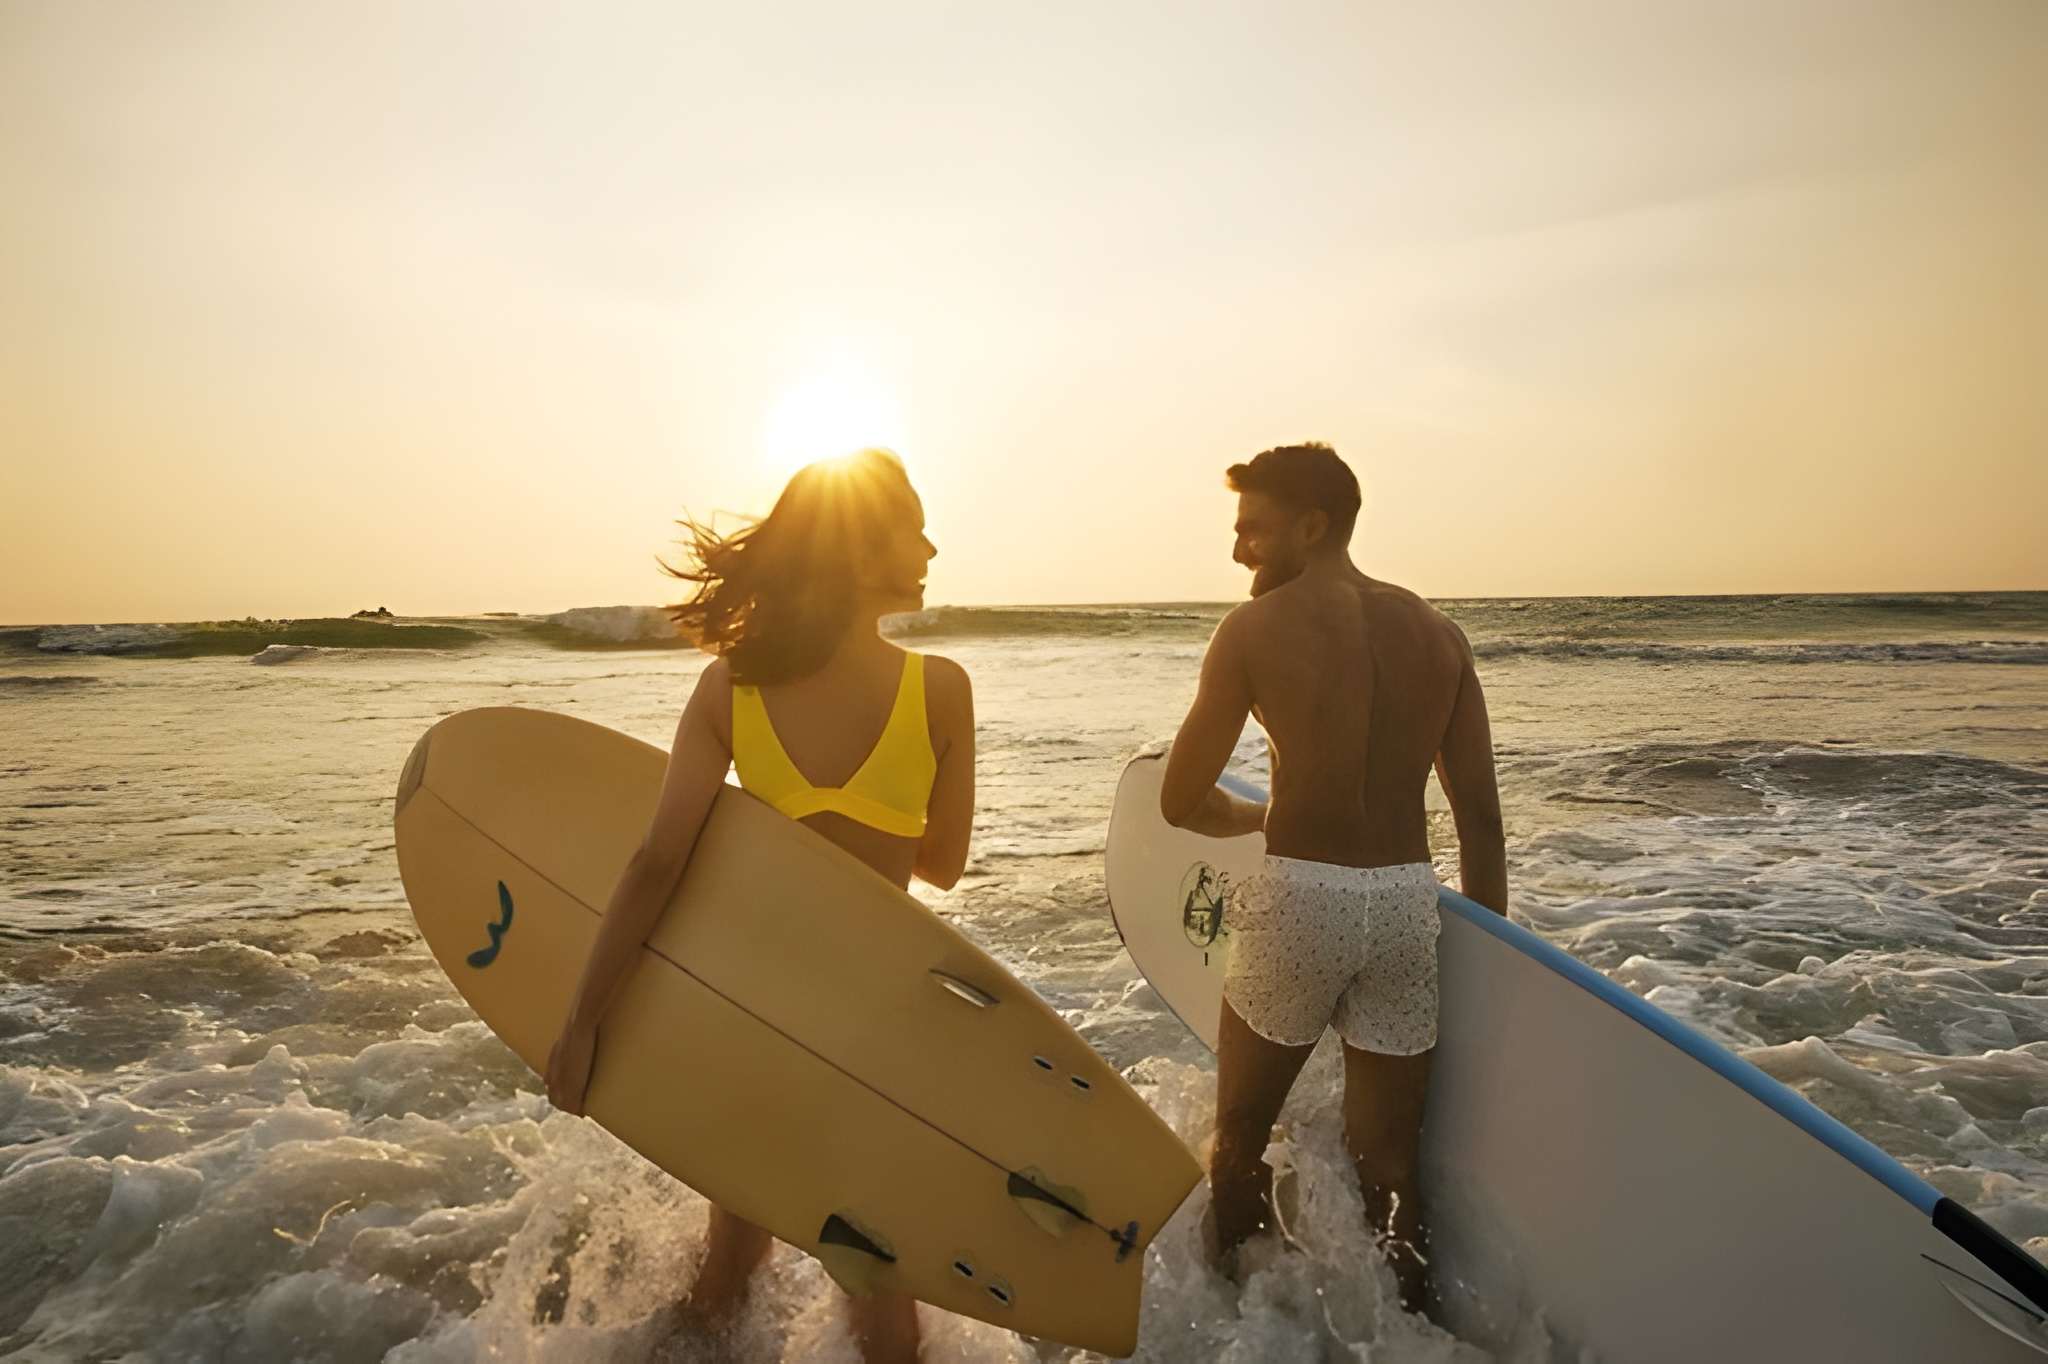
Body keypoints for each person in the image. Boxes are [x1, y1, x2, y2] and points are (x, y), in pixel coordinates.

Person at [543, 448, 976, 1363]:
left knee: (728, 1273)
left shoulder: (729, 689)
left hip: (754, 1019)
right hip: (873, 1033)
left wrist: (584, 1019)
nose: (933, 544)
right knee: (877, 1288)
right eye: (915, 526)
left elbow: (658, 862)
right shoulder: (939, 688)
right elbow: (942, 865)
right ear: (862, 551)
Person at [1158, 442, 1506, 1317]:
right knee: (1391, 1169)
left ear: (1312, 526)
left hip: (1300, 901)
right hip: (1403, 907)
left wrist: (1256, 819)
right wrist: (1489, 953)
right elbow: (1481, 817)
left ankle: (1233, 1328)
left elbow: (1179, 799)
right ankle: (1409, 1328)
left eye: (1255, 530)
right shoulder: (1439, 634)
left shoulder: (1252, 631)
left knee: (1237, 1138)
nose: (1240, 551)